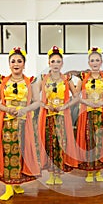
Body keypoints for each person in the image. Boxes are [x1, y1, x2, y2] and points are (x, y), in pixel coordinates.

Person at [0, 47, 41, 201]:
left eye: (19, 61)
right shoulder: (2, 81)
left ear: (24, 64)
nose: (16, 64)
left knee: (22, 153)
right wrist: (7, 109)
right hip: (7, 124)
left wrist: (25, 109)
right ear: (9, 64)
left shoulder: (31, 82)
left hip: (24, 123)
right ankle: (8, 187)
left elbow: (37, 102)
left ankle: (18, 183)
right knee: (8, 153)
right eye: (13, 61)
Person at [38, 45, 78, 185]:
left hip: (62, 116)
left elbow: (76, 96)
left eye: (58, 62)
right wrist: (44, 105)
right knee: (49, 144)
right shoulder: (43, 78)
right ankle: (50, 173)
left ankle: (58, 174)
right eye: (53, 61)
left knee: (60, 144)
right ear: (48, 63)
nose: (55, 64)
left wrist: (65, 105)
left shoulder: (67, 78)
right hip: (48, 116)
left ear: (62, 64)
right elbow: (33, 96)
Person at [75, 46, 103, 182]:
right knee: (88, 141)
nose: (95, 62)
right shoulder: (83, 77)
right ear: (89, 63)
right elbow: (76, 95)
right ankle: (89, 172)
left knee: (100, 141)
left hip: (101, 113)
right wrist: (86, 101)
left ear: (101, 62)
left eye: (97, 60)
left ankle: (98, 171)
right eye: (92, 60)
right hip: (87, 114)